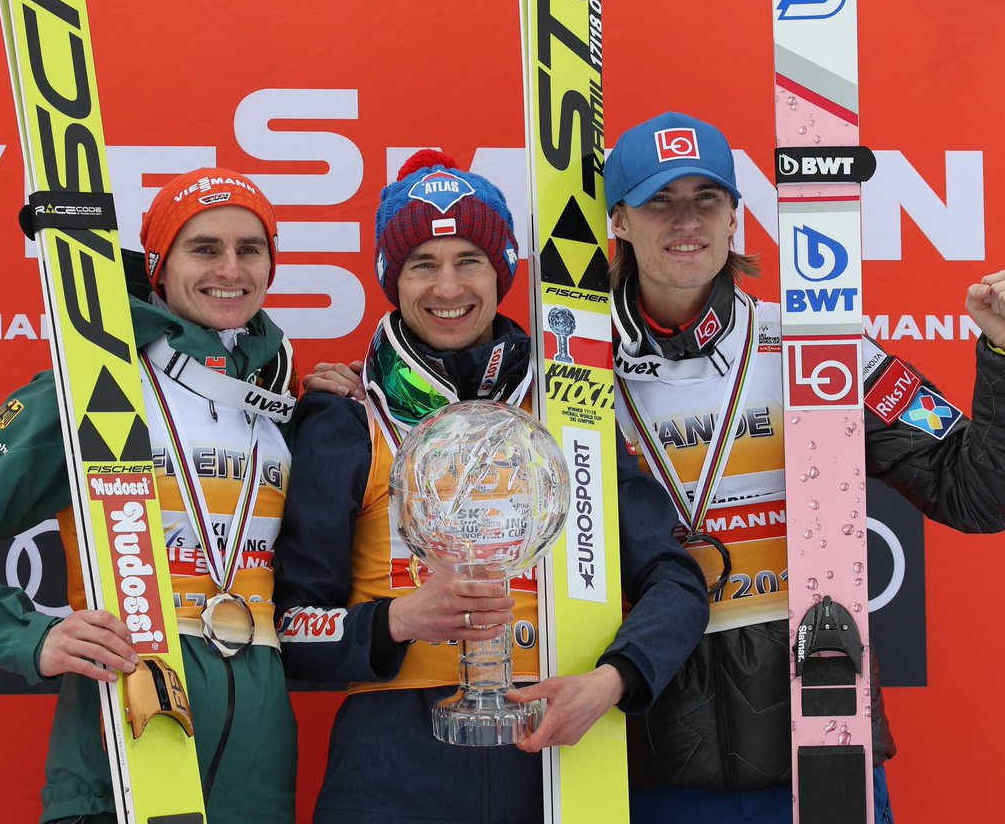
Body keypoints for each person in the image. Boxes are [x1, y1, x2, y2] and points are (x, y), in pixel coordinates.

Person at [602, 112, 1005, 824]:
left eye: (707, 198)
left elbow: (978, 491)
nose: (686, 221)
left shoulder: (815, 347)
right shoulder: (574, 369)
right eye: (660, 200)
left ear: (734, 215)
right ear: (620, 221)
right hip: (645, 762)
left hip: (820, 745)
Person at [272, 149, 711, 824]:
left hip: (557, 760)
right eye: (422, 263)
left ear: (502, 268)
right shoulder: (349, 417)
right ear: (392, 278)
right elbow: (288, 627)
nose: (448, 287)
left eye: (470, 260)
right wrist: (397, 620)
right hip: (390, 771)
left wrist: (613, 680)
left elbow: (675, 579)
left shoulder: (569, 413)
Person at [0, 169, 299, 824]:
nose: (230, 268)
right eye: (204, 248)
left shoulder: (277, 402)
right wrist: (32, 638)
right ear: (159, 265)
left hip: (259, 766)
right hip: (121, 749)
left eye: (250, 249)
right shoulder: (96, 382)